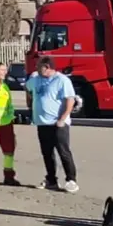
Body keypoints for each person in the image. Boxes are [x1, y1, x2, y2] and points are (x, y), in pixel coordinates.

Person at [24, 56, 78, 192]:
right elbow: (27, 88)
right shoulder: (36, 80)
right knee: (47, 153)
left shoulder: (62, 80)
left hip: (58, 123)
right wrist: (30, 103)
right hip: (42, 123)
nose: (36, 69)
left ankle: (71, 180)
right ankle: (51, 180)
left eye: (38, 67)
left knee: (63, 152)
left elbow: (70, 101)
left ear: (47, 67)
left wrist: (62, 119)